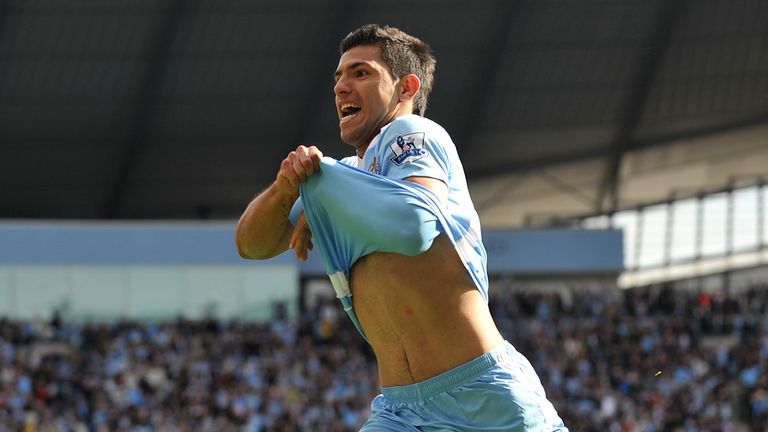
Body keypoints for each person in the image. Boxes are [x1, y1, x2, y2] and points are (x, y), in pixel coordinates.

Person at [236, 24, 567, 431]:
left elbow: (414, 226)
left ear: (405, 88)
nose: (341, 87)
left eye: (361, 73)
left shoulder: (412, 133)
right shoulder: (345, 181)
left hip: (482, 397)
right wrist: (288, 187)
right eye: (338, 77)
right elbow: (251, 245)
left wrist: (323, 182)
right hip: (401, 411)